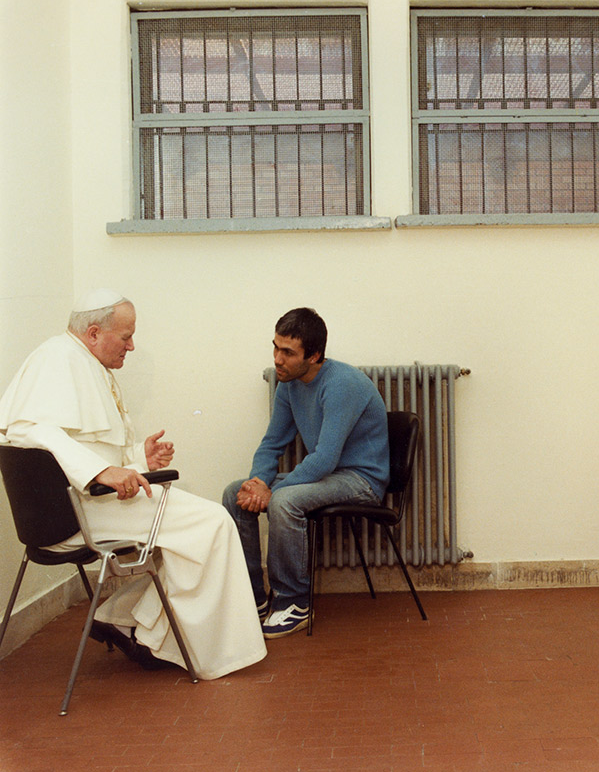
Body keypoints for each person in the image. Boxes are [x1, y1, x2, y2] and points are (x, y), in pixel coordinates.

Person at [0, 289, 266, 679]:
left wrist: (139, 458)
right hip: (79, 512)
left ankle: (120, 618)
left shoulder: (81, 359)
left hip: (92, 502)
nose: (132, 346)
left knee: (192, 533)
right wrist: (99, 472)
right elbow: (28, 432)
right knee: (214, 524)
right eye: (125, 337)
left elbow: (88, 447)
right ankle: (180, 644)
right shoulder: (58, 359)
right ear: (94, 333)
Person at [223, 308, 389, 639]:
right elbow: (271, 444)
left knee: (284, 500)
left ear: (313, 356)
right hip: (329, 475)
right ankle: (253, 599)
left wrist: (270, 492)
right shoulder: (289, 384)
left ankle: (294, 603)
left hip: (361, 479)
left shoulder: (342, 384)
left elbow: (325, 458)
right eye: (275, 348)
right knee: (234, 492)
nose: (277, 359)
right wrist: (257, 483)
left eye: (288, 352)